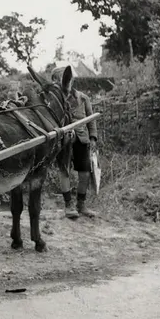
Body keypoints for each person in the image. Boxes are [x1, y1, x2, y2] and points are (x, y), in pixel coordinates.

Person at [52, 65, 99, 219]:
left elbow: (91, 120)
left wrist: (92, 138)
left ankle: (81, 204)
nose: (66, 82)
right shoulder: (54, 100)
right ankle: (68, 205)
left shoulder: (83, 98)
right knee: (64, 171)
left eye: (67, 79)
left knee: (85, 173)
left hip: (82, 139)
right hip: (64, 140)